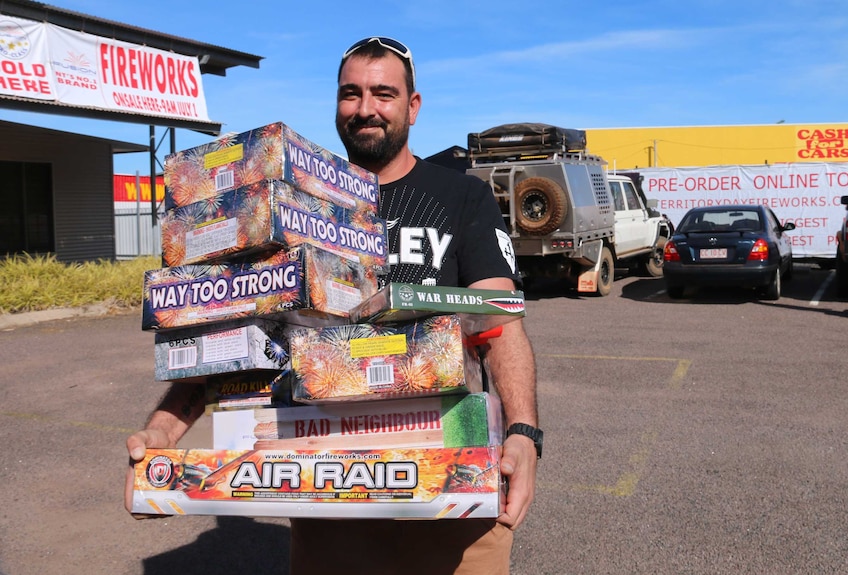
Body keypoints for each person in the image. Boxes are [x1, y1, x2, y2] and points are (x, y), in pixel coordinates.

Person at [126, 36, 540, 575]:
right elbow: (234, 335)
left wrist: (524, 433)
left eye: (383, 93)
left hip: (451, 487)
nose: (365, 108)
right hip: (327, 491)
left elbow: (501, 324)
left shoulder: (461, 196)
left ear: (412, 106)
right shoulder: (296, 206)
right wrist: (164, 429)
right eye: (351, 93)